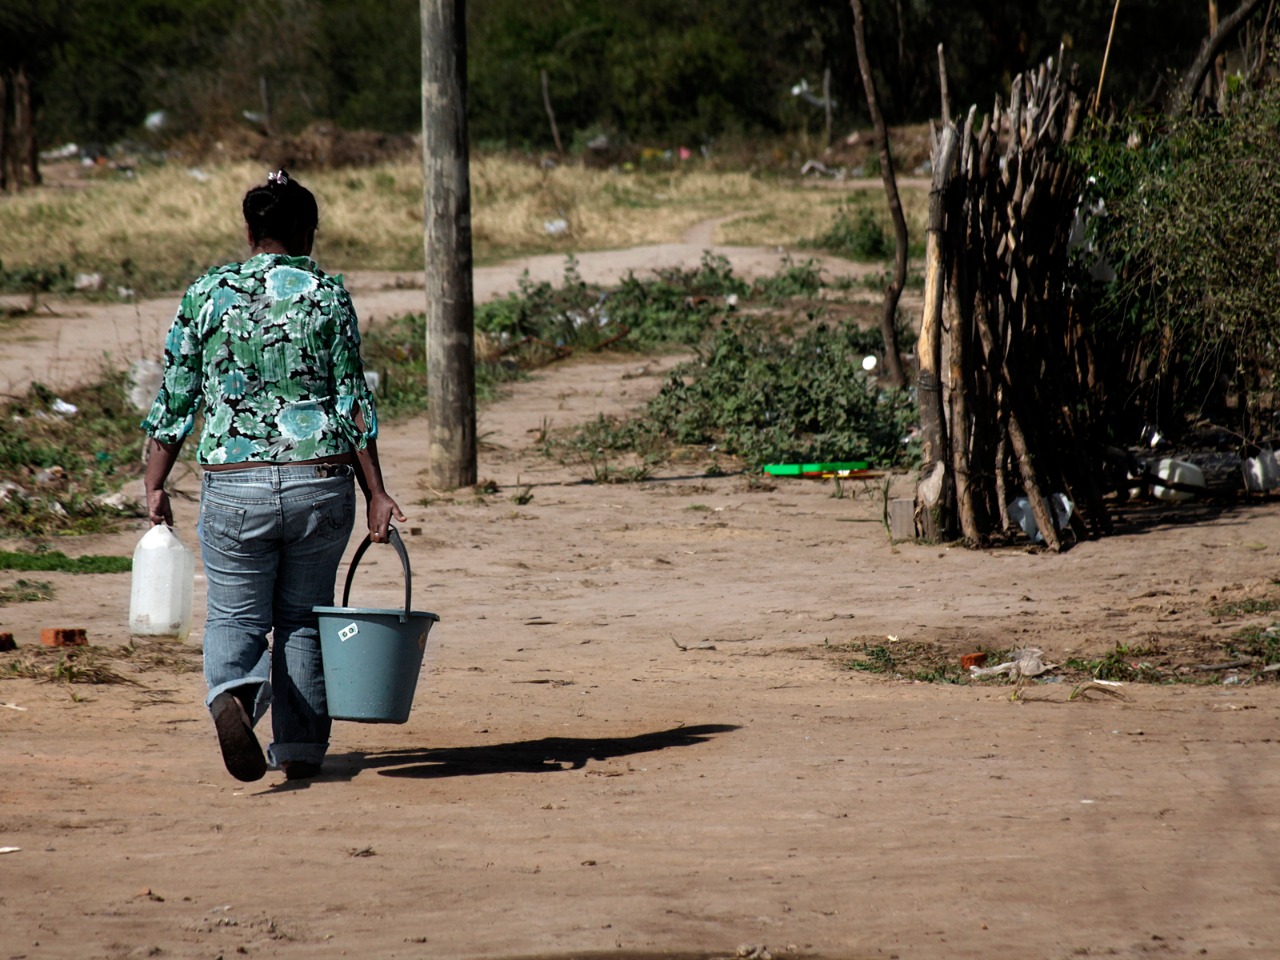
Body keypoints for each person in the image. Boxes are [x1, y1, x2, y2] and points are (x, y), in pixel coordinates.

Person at [140, 170, 405, 783]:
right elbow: (350, 401)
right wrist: (377, 493)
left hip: (237, 486)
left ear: (251, 230)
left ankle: (234, 693)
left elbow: (175, 397)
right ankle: (301, 752)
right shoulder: (328, 294)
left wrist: (155, 482)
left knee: (235, 616)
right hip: (320, 484)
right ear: (307, 232)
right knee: (302, 618)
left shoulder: (206, 292)